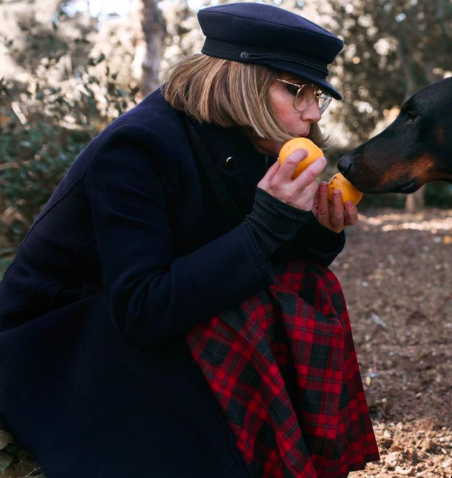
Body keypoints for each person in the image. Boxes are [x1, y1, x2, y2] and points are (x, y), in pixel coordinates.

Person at [0, 3, 379, 477]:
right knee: (244, 319)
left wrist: (317, 231)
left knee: (308, 284)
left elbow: (240, 254)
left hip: (149, 311)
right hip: (60, 338)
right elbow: (142, 307)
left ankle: (310, 455)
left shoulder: (250, 138)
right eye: (296, 91)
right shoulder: (139, 147)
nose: (310, 113)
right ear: (241, 81)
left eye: (317, 96)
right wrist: (264, 226)